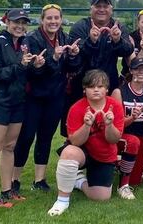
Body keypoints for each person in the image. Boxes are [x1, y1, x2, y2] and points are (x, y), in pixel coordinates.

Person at [13, 4, 81, 193]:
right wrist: (53, 58)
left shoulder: (64, 38)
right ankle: (14, 178)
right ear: (42, 20)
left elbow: (72, 69)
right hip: (34, 96)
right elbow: (32, 72)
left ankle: (39, 179)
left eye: (56, 18)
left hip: (55, 96)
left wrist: (73, 56)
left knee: (45, 137)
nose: (53, 21)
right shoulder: (32, 39)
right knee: (26, 137)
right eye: (49, 18)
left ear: (61, 20)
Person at [0, 9, 39, 208]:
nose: (20, 26)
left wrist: (35, 65)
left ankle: (8, 190)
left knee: (9, 146)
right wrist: (20, 66)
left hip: (18, 101)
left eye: (23, 23)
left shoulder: (25, 43)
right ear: (7, 22)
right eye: (16, 22)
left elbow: (25, 73)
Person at [47, 70, 125, 216]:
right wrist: (86, 125)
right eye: (91, 86)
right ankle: (62, 201)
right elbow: (75, 141)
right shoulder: (76, 108)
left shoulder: (115, 106)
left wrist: (109, 125)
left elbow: (114, 140)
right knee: (69, 152)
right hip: (82, 151)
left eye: (100, 86)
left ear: (107, 89)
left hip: (104, 154)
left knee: (101, 197)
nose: (96, 90)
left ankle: (79, 181)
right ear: (84, 89)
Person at [68, 0, 134, 100]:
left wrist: (117, 41)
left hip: (109, 81)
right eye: (98, 6)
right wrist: (91, 41)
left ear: (111, 9)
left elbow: (128, 51)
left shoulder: (118, 27)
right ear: (91, 9)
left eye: (105, 6)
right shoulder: (80, 26)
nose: (102, 10)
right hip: (82, 82)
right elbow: (75, 56)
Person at [111, 57, 143, 199]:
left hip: (141, 137)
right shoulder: (119, 92)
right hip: (120, 136)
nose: (141, 72)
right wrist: (132, 118)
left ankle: (120, 164)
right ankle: (123, 186)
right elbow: (116, 124)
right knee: (132, 142)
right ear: (131, 71)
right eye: (137, 69)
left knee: (136, 181)